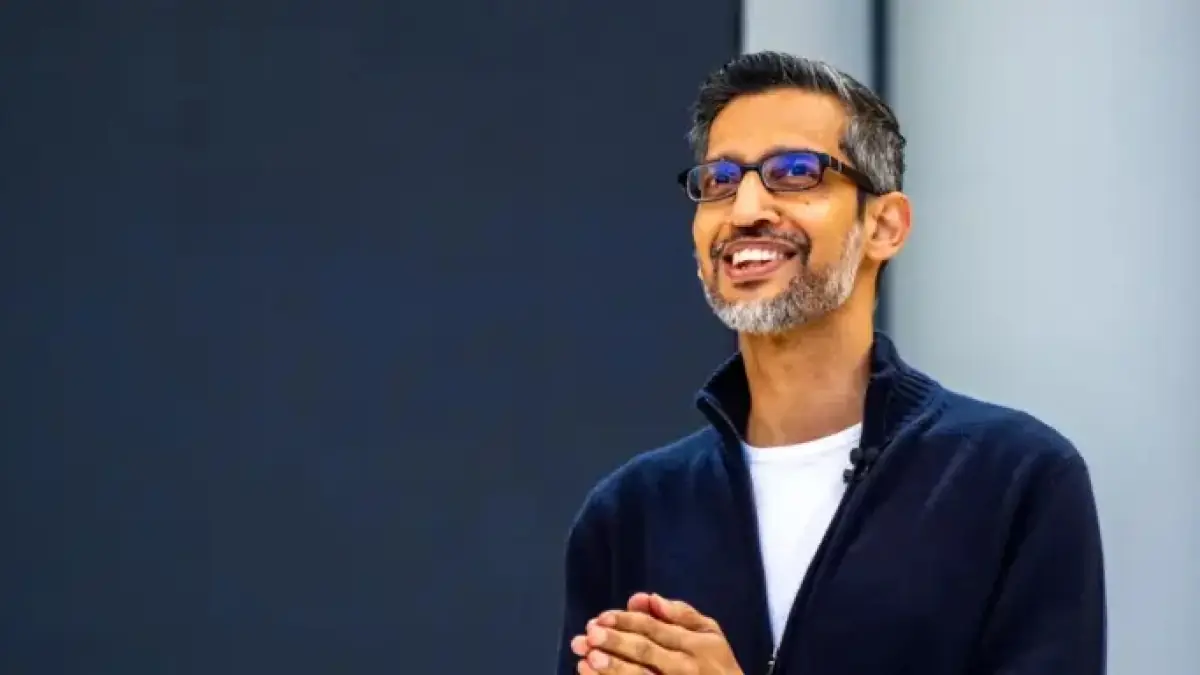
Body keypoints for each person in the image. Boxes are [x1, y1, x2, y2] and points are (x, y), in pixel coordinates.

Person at [556, 52, 1105, 675]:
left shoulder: (1013, 478)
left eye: (795, 172)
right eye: (721, 181)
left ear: (885, 226)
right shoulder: (632, 514)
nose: (745, 210)